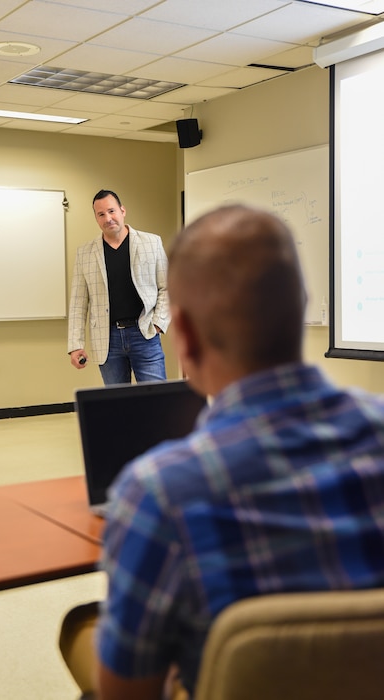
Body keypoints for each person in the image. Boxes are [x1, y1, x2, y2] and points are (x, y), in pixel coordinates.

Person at [59, 204, 384, 699]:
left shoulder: (158, 495)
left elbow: (129, 694)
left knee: (82, 628)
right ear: (302, 308)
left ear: (183, 335)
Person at [67, 189, 170, 384]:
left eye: (112, 211)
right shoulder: (85, 254)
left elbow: (168, 287)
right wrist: (75, 345)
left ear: (123, 211)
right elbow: (78, 303)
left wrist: (158, 324)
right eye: (101, 214)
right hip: (108, 340)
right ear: (96, 218)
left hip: (145, 333)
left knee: (156, 403)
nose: (108, 218)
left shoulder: (151, 243)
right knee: (118, 405)